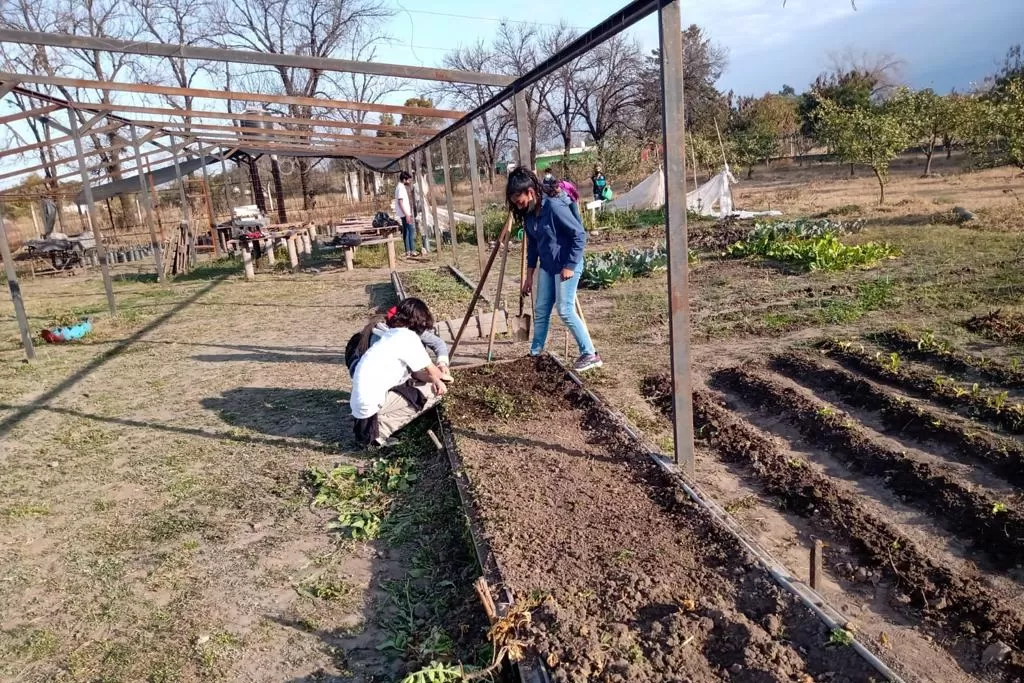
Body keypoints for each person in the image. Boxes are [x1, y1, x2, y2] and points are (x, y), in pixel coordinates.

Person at [507, 167, 602, 372]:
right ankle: (536, 351)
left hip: (567, 265)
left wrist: (569, 265)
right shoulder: (530, 214)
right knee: (541, 310)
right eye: (515, 202)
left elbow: (579, 235)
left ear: (530, 192)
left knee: (565, 309)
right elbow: (533, 246)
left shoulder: (554, 206)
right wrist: (529, 277)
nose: (518, 205)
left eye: (519, 200)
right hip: (548, 267)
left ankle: (590, 354)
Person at [349, 298, 449, 447]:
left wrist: (435, 378)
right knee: (431, 393)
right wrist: (441, 378)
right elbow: (433, 371)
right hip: (369, 406)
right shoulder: (408, 338)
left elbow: (416, 374)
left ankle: (374, 427)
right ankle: (379, 434)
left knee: (424, 385)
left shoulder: (391, 333)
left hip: (361, 405)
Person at [345, 306, 452, 381]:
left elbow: (438, 343)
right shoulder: (381, 339)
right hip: (373, 383)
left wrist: (442, 363)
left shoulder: (406, 326)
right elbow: (430, 372)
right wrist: (435, 377)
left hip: (378, 381)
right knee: (427, 391)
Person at [393, 171, 418, 257]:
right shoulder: (401, 188)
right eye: (408, 180)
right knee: (411, 231)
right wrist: (407, 214)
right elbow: (400, 202)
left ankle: (408, 251)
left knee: (406, 231)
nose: (409, 181)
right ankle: (412, 250)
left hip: (404, 213)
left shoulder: (399, 187)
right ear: (404, 179)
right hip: (405, 213)